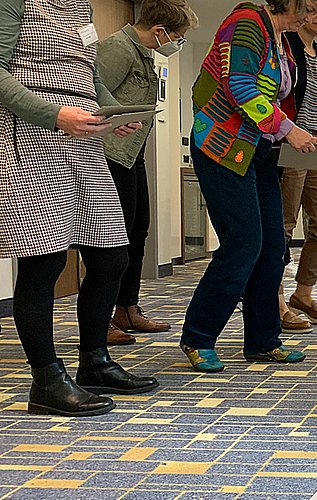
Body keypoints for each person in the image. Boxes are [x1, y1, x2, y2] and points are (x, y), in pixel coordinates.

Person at [0, 0, 159, 416]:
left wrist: (115, 110)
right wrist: (53, 114)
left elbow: (87, 76)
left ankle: (95, 361)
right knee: (45, 262)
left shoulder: (81, 7)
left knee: (112, 257)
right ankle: (46, 380)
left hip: (85, 138)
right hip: (34, 134)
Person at [182, 0, 317, 372]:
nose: (313, 14)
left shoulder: (281, 38)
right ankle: (198, 336)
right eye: (309, 6)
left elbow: (277, 98)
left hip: (257, 150)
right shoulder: (246, 22)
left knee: (273, 246)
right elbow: (240, 86)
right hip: (222, 147)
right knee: (244, 243)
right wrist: (289, 130)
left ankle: (262, 340)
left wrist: (298, 133)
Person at [97, 0, 198, 346]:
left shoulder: (143, 54)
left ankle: (127, 308)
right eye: (179, 37)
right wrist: (114, 122)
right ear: (160, 31)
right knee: (113, 239)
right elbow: (94, 93)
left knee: (138, 230)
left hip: (133, 153)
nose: (178, 43)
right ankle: (104, 317)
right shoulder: (117, 48)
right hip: (110, 153)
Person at [279, 0, 317, 328]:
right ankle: (275, 299)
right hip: (290, 142)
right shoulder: (286, 46)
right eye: (315, 11)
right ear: (301, 14)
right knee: (284, 224)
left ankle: (303, 293)